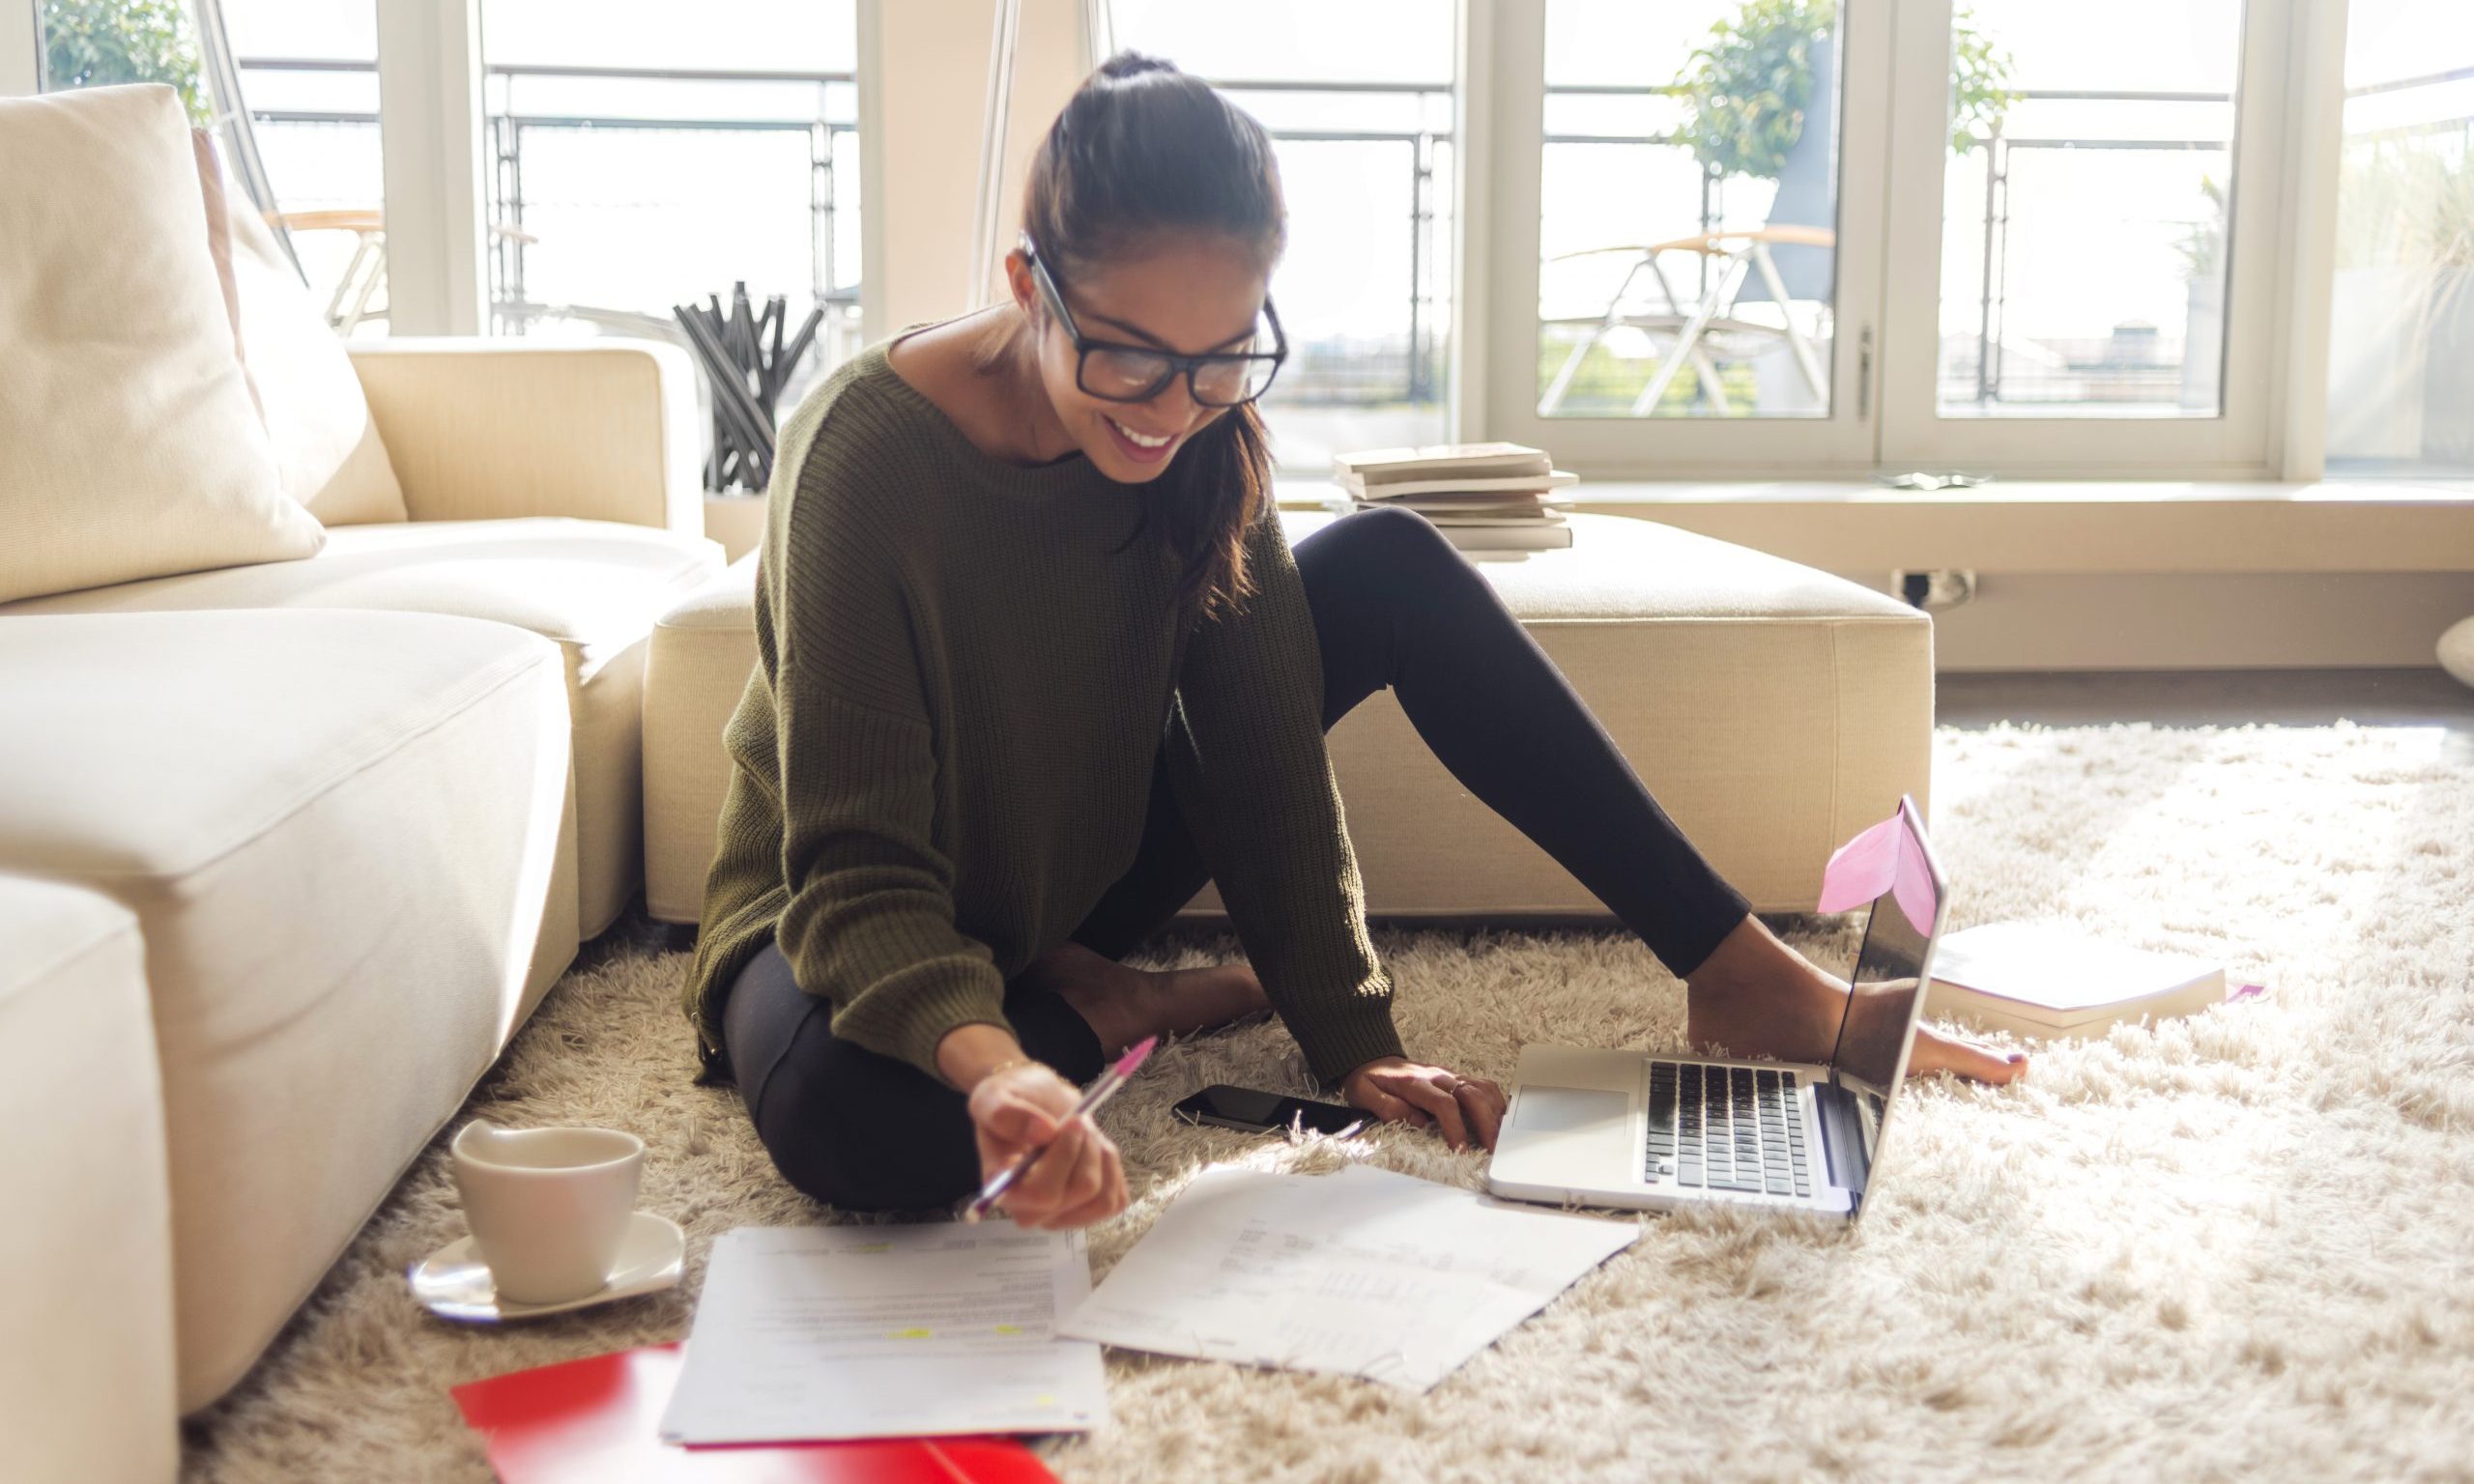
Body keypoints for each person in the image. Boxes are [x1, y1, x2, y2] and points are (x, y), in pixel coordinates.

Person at [681, 53, 2024, 1235]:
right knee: (873, 1133)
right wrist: (1003, 1064)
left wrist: (1352, 1041)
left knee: (1387, 565)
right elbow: (856, 874)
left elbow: (1262, 756)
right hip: (838, 910)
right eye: (1132, 359)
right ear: (1028, 283)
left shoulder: (1206, 436)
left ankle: (1745, 978)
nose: (1175, 411)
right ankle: (1106, 1013)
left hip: (1064, 870)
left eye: (1223, 358)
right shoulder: (865, 458)